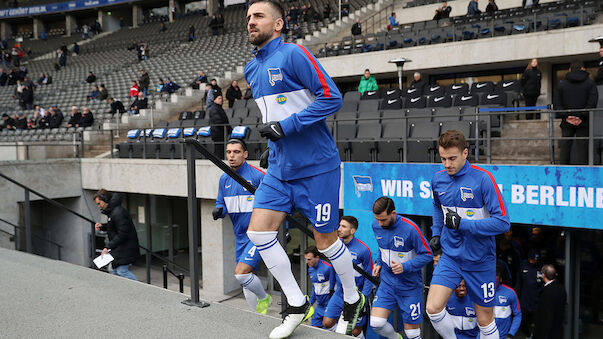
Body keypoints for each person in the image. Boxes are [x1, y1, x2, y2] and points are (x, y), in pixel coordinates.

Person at [244, 1, 364, 337]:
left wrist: (287, 128)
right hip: (281, 169)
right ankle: (297, 303)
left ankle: (354, 298)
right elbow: (273, 116)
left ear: (278, 24)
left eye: (258, 16)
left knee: (326, 242)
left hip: (318, 168)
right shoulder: (251, 69)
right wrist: (273, 145)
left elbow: (332, 98)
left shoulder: (294, 54)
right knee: (259, 232)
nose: (251, 22)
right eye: (249, 17)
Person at [426, 129, 510, 339]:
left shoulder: (483, 180)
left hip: (480, 260)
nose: (447, 164)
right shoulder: (437, 180)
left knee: (484, 320)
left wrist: (463, 225)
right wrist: (436, 232)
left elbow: (502, 223)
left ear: (465, 153)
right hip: (451, 257)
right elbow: (437, 207)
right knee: (433, 308)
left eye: (452, 158)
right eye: (443, 159)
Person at [213, 139, 272, 314]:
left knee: (242, 274)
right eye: (229, 152)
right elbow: (220, 203)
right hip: (240, 237)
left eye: (236, 152)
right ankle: (258, 317)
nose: (231, 156)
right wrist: (219, 211)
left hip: (258, 234)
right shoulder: (224, 179)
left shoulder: (258, 176)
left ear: (245, 154)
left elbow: (274, 205)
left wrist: (282, 230)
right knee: (246, 278)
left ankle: (264, 298)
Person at [369, 197, 432, 339]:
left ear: (394, 213)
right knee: (376, 323)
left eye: (383, 220)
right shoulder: (376, 226)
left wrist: (406, 266)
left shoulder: (411, 229)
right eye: (377, 219)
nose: (380, 223)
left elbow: (427, 255)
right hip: (387, 284)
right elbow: (382, 249)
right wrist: (379, 263)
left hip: (409, 287)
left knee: (412, 334)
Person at [322, 216, 374, 336]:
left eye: (343, 226)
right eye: (339, 225)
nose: (339, 229)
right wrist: (331, 288)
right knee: (327, 323)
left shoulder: (363, 250)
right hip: (339, 293)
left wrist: (363, 299)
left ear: (353, 230)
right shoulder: (336, 246)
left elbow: (369, 276)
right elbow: (333, 269)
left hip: (357, 296)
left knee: (355, 331)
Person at [553, 60, 598, 165]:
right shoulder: (590, 83)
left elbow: (557, 103)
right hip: (584, 120)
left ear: (569, 69)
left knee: (565, 146)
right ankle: (583, 173)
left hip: (567, 120)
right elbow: (592, 102)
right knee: (583, 148)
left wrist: (567, 116)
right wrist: (581, 116)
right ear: (583, 69)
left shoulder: (562, 84)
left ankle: (563, 171)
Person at [94, 189, 140, 281]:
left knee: (121, 272)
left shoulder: (118, 212)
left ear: (105, 200)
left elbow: (123, 233)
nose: (98, 206)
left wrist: (108, 247)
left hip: (125, 249)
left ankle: (141, 289)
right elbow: (115, 226)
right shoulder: (113, 212)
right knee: (112, 270)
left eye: (99, 203)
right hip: (120, 248)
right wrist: (102, 226)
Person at [305, 246, 336, 327]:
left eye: (309, 259)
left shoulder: (328, 268)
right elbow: (315, 288)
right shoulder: (310, 269)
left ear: (317, 258)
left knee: (327, 328)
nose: (306, 262)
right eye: (306, 259)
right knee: (314, 329)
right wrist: (309, 304)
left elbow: (334, 288)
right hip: (319, 306)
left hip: (329, 305)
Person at [534, 265, 566, 339]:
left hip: (547, 333)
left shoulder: (547, 292)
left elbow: (546, 316)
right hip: (558, 329)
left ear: (544, 275)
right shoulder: (561, 288)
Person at [517, 249, 543, 338]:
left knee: (537, 324)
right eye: (532, 259)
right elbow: (518, 283)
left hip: (537, 302)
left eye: (535, 259)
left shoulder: (542, 267)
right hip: (525, 301)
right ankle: (527, 335)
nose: (533, 261)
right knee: (522, 322)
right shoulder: (523, 265)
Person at [492, 264, 522, 339]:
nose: (493, 283)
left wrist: (511, 333)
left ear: (500, 279)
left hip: (503, 336)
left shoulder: (510, 293)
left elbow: (517, 314)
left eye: (495, 281)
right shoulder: (482, 293)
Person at [208, 95, 231, 159]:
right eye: (219, 98)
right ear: (215, 100)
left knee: (221, 151)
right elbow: (218, 121)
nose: (221, 100)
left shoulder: (218, 108)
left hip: (220, 133)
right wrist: (228, 128)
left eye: (221, 98)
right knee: (219, 152)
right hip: (218, 133)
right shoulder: (214, 109)